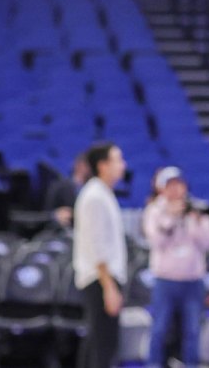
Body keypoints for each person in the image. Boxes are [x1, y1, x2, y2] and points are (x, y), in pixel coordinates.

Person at [142, 166, 209, 368]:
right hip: (165, 280)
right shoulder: (154, 210)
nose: (176, 190)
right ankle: (154, 364)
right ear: (162, 189)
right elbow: (156, 241)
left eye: (179, 184)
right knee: (159, 328)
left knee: (192, 330)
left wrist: (195, 220)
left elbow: (208, 243)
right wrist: (171, 218)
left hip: (193, 280)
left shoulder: (196, 209)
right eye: (170, 185)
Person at [73, 142, 128, 368]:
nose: (123, 165)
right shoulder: (95, 196)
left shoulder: (103, 193)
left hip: (103, 277)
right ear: (103, 165)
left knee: (97, 344)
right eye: (118, 159)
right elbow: (98, 246)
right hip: (100, 278)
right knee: (103, 346)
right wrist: (109, 287)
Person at [46, 153, 90, 229]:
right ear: (78, 165)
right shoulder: (59, 187)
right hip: (63, 231)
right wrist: (55, 215)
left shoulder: (93, 190)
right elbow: (47, 211)